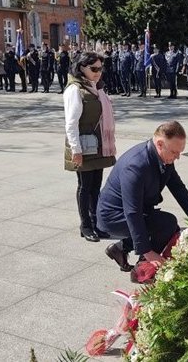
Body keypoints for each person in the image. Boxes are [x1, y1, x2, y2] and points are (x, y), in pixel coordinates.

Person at [97, 121, 188, 272]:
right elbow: (132, 211)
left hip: (136, 210)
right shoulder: (136, 165)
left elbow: (178, 189)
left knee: (168, 226)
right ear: (159, 144)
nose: (177, 157)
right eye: (174, 152)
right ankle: (143, 269)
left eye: (180, 152)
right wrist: (148, 252)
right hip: (114, 216)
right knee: (166, 224)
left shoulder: (164, 157)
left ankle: (120, 249)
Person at [64, 51, 116, 242]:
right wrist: (75, 150)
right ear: (81, 68)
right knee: (85, 187)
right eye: (93, 69)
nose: (98, 72)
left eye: (100, 69)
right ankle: (85, 226)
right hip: (84, 145)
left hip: (98, 143)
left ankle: (96, 223)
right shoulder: (75, 90)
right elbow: (71, 123)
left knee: (96, 187)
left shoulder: (97, 88)